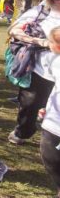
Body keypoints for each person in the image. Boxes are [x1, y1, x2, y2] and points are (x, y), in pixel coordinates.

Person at [8, 0, 60, 145]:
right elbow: (14, 31)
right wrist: (42, 42)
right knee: (30, 105)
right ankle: (22, 132)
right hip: (40, 70)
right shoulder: (41, 11)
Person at [40, 26, 60, 197]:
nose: (48, 44)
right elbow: (56, 88)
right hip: (53, 120)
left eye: (50, 42)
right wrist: (46, 107)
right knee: (50, 157)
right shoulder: (54, 61)